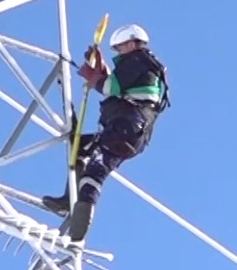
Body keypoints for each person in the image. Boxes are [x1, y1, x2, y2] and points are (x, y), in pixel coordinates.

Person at [40, 23, 169, 238]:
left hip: (125, 129)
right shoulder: (141, 65)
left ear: (131, 43)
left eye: (119, 47)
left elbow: (110, 88)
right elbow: (116, 87)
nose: (118, 52)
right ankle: (69, 199)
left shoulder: (137, 60)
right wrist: (97, 70)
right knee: (79, 146)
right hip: (130, 132)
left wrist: (91, 75)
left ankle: (81, 221)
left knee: (96, 169)